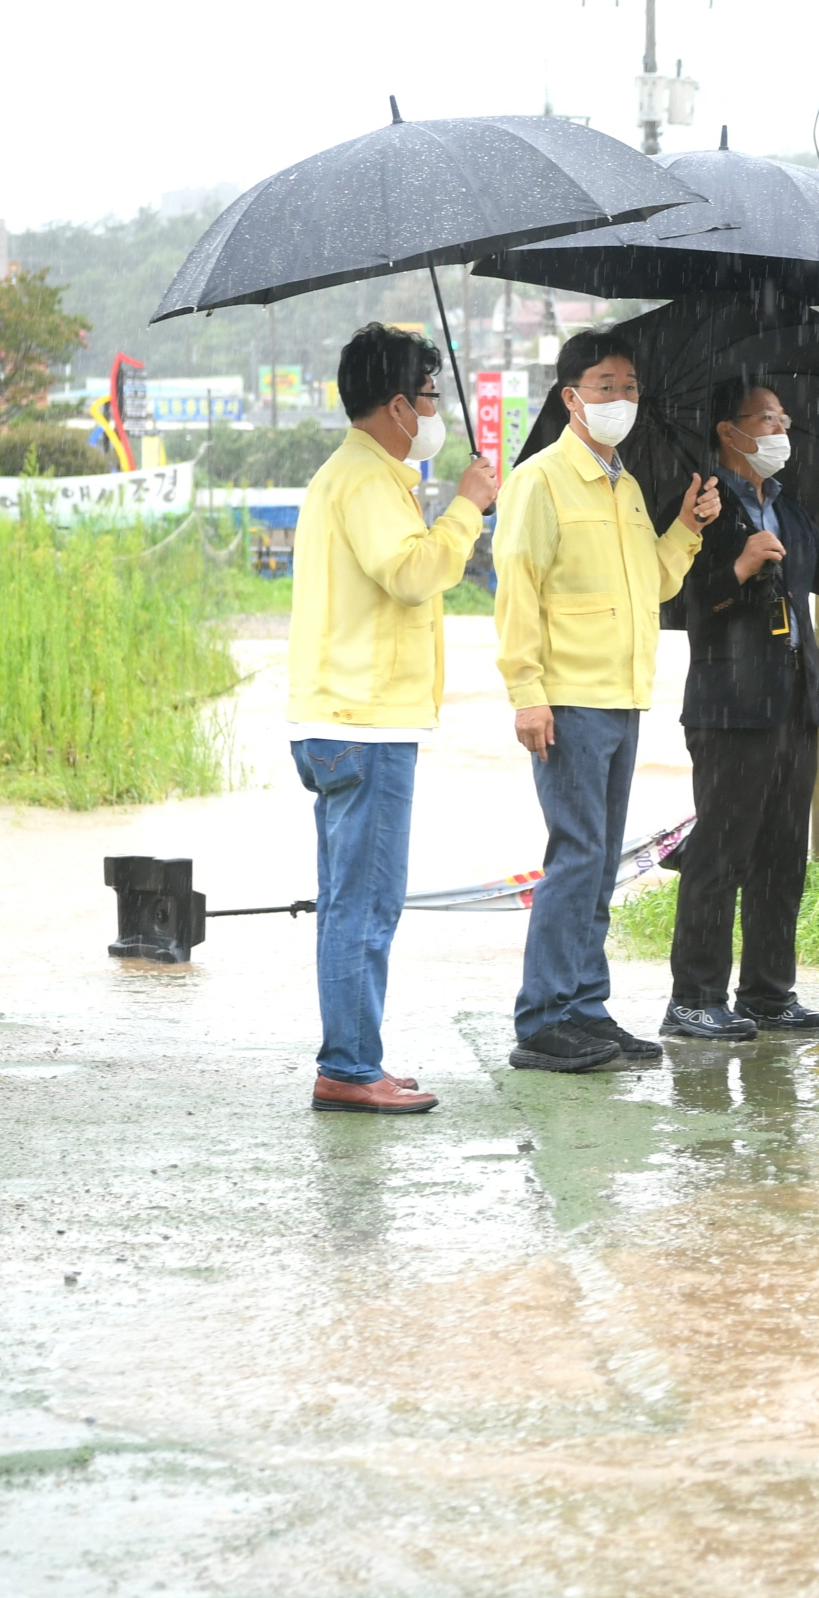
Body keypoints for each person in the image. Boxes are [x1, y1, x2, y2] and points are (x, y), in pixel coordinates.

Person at [288, 324, 500, 1114]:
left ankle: (355, 1054)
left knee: (351, 899)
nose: (437, 409)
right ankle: (348, 1065)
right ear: (397, 405)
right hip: (364, 723)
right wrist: (469, 507)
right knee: (365, 904)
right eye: (430, 396)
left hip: (337, 717)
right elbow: (413, 573)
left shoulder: (361, 477)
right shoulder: (370, 480)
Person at [494, 329, 716, 1072]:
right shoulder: (539, 480)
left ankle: (585, 1007)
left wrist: (686, 528)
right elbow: (517, 590)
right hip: (568, 697)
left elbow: (649, 585)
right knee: (577, 855)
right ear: (570, 398)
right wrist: (527, 693)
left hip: (621, 697)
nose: (620, 399)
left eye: (629, 387)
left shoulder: (624, 486)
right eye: (604, 386)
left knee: (597, 862)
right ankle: (544, 1017)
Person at [664, 379, 819, 1040]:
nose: (781, 432)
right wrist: (738, 569)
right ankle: (694, 998)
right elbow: (679, 605)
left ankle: (768, 994)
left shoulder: (791, 510)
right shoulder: (700, 505)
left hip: (796, 707)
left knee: (780, 858)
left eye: (785, 420)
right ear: (728, 431)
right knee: (721, 856)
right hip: (730, 708)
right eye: (767, 420)